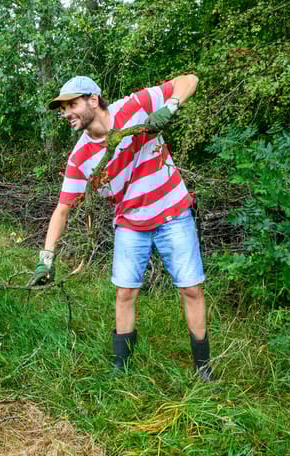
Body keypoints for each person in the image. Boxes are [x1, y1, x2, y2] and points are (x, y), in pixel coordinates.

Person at [28, 75, 213, 380]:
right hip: (130, 224)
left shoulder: (134, 106)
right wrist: (46, 259)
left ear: (93, 99)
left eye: (71, 104)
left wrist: (170, 107)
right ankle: (121, 368)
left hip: (173, 212)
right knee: (125, 293)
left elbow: (190, 79)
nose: (66, 113)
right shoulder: (80, 158)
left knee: (191, 289)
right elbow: (62, 209)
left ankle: (203, 368)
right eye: (62, 109)